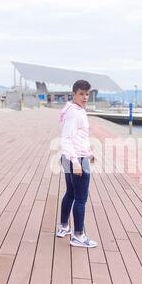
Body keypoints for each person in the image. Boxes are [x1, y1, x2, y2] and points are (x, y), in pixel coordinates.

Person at [56, 80, 98, 248]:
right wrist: (77, 162)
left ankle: (64, 227)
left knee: (71, 193)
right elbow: (66, 139)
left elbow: (79, 137)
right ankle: (78, 236)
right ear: (74, 94)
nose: (85, 97)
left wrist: (89, 153)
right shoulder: (75, 113)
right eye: (81, 94)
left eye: (87, 94)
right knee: (81, 198)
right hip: (75, 159)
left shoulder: (74, 109)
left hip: (73, 157)